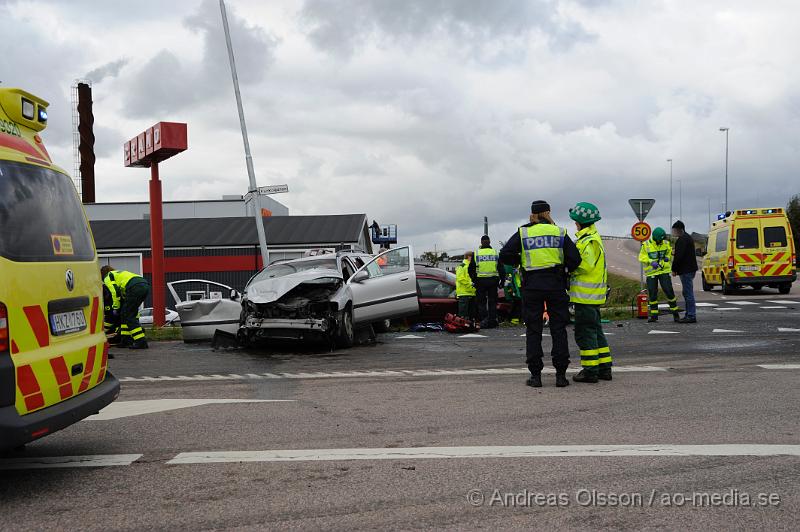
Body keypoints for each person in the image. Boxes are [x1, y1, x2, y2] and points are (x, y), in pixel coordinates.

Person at [500, 200, 581, 388]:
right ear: (548, 213)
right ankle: (561, 376)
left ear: (533, 215)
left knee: (534, 330)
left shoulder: (524, 232)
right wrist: (563, 269)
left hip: (532, 286)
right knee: (559, 329)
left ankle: (535, 376)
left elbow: (505, 255)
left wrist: (519, 260)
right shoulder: (559, 232)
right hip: (555, 284)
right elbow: (575, 259)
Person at [567, 202, 612, 383]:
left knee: (585, 333)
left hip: (585, 297)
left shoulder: (588, 241)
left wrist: (569, 267)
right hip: (592, 296)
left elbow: (584, 266)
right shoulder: (591, 237)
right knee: (596, 332)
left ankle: (591, 370)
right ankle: (604, 368)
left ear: (579, 222)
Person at [101, 265, 150, 349]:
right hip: (143, 284)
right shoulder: (118, 273)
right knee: (125, 314)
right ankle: (126, 340)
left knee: (128, 315)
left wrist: (116, 307)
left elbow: (114, 292)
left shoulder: (107, 277)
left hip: (134, 287)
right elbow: (122, 294)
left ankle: (141, 342)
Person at [639, 227, 679, 323]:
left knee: (669, 291)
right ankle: (654, 315)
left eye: (662, 239)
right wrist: (651, 261)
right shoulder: (646, 245)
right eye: (660, 239)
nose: (661, 241)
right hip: (652, 273)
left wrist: (667, 258)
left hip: (664, 271)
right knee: (652, 294)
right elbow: (641, 257)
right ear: (655, 238)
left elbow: (669, 252)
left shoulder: (665, 243)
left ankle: (675, 313)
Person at [469, 235, 505, 328]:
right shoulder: (495, 252)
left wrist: (474, 279)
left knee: (481, 302)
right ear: (489, 242)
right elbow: (501, 268)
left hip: (480, 281)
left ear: (481, 242)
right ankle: (492, 321)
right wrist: (502, 281)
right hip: (493, 281)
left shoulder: (476, 253)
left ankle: (484, 321)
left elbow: (470, 269)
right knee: (492, 302)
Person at [671, 220, 698, 324]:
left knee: (688, 293)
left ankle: (691, 315)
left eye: (674, 230)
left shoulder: (682, 240)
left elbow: (679, 257)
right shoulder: (687, 238)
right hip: (690, 269)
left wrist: (674, 269)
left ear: (680, 230)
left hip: (686, 270)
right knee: (686, 292)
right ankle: (688, 314)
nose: (673, 232)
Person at [455, 252, 477, 321]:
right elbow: (460, 278)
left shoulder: (471, 266)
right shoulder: (462, 266)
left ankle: (469, 326)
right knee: (463, 315)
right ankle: (462, 327)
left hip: (471, 292)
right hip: (464, 293)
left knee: (471, 314)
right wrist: (470, 285)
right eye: (473, 257)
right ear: (469, 257)